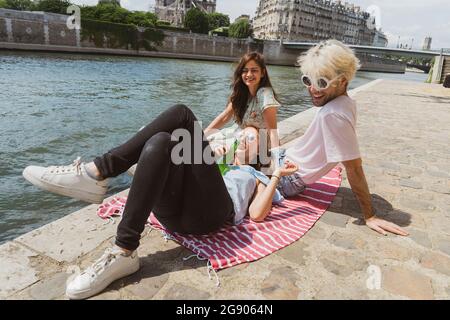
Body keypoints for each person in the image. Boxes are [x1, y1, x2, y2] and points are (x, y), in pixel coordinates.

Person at [22, 104, 297, 300]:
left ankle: (97, 172)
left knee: (183, 114)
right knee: (161, 140)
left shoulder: (255, 174)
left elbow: (257, 214)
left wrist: (275, 176)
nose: (243, 140)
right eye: (242, 135)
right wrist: (211, 149)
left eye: (250, 138)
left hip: (214, 213)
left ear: (260, 148)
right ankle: (123, 252)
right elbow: (204, 136)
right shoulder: (220, 157)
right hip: (177, 214)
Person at [280, 39, 409, 237]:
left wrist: (370, 215)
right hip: (287, 161)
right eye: (308, 80)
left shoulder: (333, 114)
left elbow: (354, 167)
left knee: (233, 160)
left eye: (321, 82)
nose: (313, 89)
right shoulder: (345, 103)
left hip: (288, 177)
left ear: (342, 81)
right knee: (247, 145)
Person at [204, 52, 282, 168]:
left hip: (258, 144)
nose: (249, 74)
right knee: (206, 148)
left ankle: (233, 165)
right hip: (241, 138)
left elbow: (272, 131)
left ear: (262, 73)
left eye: (254, 70)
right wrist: (203, 135)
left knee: (250, 133)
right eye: (245, 70)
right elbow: (225, 116)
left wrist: (278, 162)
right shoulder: (241, 93)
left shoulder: (265, 94)